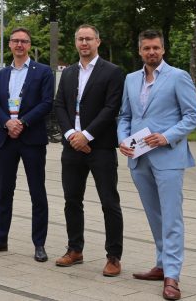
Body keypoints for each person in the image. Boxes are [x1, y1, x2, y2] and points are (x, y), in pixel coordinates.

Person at [118, 30, 196, 301]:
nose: (151, 52)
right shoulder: (131, 79)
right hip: (138, 158)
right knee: (155, 216)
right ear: (140, 51)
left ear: (163, 49)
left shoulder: (178, 77)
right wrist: (122, 140)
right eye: (146, 48)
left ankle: (172, 276)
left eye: (155, 47)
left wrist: (166, 137)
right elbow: (125, 116)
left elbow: (192, 116)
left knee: (172, 217)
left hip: (169, 158)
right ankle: (162, 264)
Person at [53, 25, 125, 276]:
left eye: (89, 39)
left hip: (101, 147)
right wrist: (71, 134)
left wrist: (87, 135)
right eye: (80, 39)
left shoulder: (113, 72)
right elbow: (59, 105)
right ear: (75, 43)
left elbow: (111, 107)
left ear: (98, 41)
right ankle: (75, 249)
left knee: (109, 202)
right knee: (72, 200)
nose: (84, 43)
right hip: (72, 147)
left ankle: (114, 257)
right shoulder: (69, 72)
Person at [0, 27, 54, 262]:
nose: (20, 45)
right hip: (7, 138)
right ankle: (1, 238)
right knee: (5, 191)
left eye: (24, 41)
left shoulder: (43, 71)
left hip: (31, 139)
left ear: (29, 45)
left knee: (37, 192)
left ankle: (39, 244)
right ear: (10, 45)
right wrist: (7, 123)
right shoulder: (2, 74)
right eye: (15, 41)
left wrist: (21, 122)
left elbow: (46, 103)